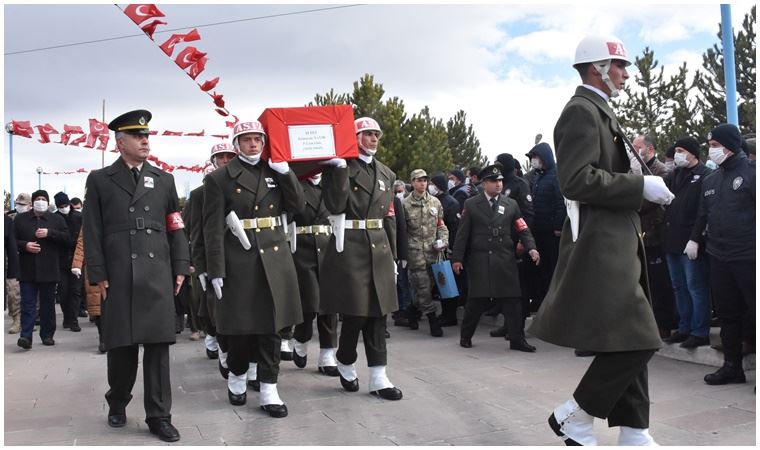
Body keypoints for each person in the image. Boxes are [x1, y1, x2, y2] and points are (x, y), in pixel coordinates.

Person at [529, 35, 674, 446]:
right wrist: (639, 186)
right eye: (620, 67)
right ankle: (574, 413)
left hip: (618, 239)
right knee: (641, 335)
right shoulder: (581, 111)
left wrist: (643, 191)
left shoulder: (600, 110)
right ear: (597, 68)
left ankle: (634, 430)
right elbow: (575, 180)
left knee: (627, 337)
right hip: (601, 244)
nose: (626, 74)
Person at [82, 109, 190, 442]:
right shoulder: (100, 179)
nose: (145, 140)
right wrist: (97, 272)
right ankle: (117, 401)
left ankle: (159, 415)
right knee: (122, 347)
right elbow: (93, 229)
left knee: (158, 347)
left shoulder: (163, 179)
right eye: (137, 136)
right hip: (118, 272)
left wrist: (181, 264)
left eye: (147, 135)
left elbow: (175, 224)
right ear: (120, 141)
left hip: (157, 271)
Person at [203, 120, 304, 417]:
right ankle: (236, 375)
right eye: (246, 140)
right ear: (236, 145)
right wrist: (216, 268)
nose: (253, 145)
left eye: (258, 139)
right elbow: (211, 227)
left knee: (273, 326)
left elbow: (298, 206)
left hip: (274, 256)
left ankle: (270, 388)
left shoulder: (274, 171)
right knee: (241, 328)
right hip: (240, 257)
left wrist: (286, 172)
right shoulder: (219, 179)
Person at [319, 116, 403, 401]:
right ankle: (345, 358)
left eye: (376, 134)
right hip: (350, 244)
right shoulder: (339, 168)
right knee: (355, 311)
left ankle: (379, 376)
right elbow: (335, 204)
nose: (374, 139)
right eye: (367, 134)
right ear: (354, 138)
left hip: (378, 246)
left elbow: (389, 218)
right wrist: (340, 171)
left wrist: (394, 254)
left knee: (379, 313)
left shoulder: (387, 174)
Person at [452, 164, 540, 352]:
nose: (498, 184)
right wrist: (457, 259)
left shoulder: (511, 204)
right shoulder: (471, 204)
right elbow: (462, 235)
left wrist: (531, 248)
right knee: (476, 301)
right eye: (494, 181)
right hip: (481, 260)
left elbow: (522, 228)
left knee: (513, 301)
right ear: (484, 184)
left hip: (504, 259)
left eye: (500, 180)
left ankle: (517, 339)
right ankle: (466, 336)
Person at [695, 124, 755, 385]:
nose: (711, 150)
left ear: (730, 146)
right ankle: (732, 366)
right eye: (710, 145)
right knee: (727, 313)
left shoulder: (752, 174)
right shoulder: (711, 180)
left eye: (715, 145)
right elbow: (703, 215)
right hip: (719, 256)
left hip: (749, 256)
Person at [186, 144, 237, 367]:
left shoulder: (242, 186)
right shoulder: (199, 194)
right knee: (213, 306)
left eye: (230, 156)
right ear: (213, 160)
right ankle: (217, 341)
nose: (226, 160)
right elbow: (196, 232)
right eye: (221, 157)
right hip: (213, 258)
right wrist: (200, 265)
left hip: (241, 258)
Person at [661, 137, 713, 348]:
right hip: (672, 240)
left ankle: (700, 331)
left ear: (692, 153)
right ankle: (684, 328)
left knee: (695, 287)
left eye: (681, 151)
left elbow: (703, 211)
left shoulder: (705, 175)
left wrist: (695, 239)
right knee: (678, 287)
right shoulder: (675, 175)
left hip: (691, 241)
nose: (676, 155)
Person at [288, 172, 340, 375]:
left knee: (329, 304)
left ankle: (327, 353)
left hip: (328, 247)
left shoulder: (333, 184)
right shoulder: (297, 184)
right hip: (303, 248)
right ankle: (301, 338)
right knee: (308, 303)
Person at [633, 134, 677, 338]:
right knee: (644, 283)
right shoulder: (636, 172)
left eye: (638, 146)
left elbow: (646, 202)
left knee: (660, 284)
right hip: (640, 236)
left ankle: (664, 323)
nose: (634, 150)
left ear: (649, 149)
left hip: (655, 234)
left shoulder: (661, 171)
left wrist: (628, 195)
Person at [15, 189, 71, 350]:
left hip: (49, 268)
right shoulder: (20, 219)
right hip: (27, 269)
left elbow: (67, 239)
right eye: (38, 199)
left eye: (43, 199)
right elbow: (11, 241)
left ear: (47, 202)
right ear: (32, 202)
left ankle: (47, 335)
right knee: (28, 304)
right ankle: (26, 336)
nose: (40, 201)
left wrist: (50, 233)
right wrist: (25, 245)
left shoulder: (56, 220)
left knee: (48, 305)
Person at [492, 153, 535, 337]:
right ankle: (507, 323)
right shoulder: (498, 185)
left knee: (519, 287)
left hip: (515, 243)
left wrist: (522, 242)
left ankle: (517, 327)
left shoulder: (520, 184)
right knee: (504, 286)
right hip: (500, 243)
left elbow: (527, 215)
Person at [402, 169, 448, 337]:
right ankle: (432, 321)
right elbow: (402, 231)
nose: (422, 183)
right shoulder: (405, 204)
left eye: (425, 180)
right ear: (412, 182)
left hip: (433, 253)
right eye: (419, 180)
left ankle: (412, 311)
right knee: (423, 287)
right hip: (415, 254)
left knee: (430, 287)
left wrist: (443, 241)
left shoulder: (435, 203)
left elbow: (441, 225)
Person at [524, 143, 565, 313]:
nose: (533, 161)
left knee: (552, 268)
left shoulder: (555, 175)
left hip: (551, 232)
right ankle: (541, 300)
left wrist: (558, 225)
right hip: (538, 230)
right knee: (540, 269)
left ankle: (554, 304)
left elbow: (561, 203)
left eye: (536, 157)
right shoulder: (538, 177)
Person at [428, 172, 462, 327]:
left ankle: (450, 315)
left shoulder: (451, 202)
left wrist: (450, 246)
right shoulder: (434, 201)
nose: (430, 186)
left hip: (446, 248)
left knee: (447, 282)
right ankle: (445, 313)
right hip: (435, 247)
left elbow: (454, 227)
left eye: (432, 183)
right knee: (440, 283)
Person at [71, 226, 105, 353]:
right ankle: (103, 338)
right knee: (97, 305)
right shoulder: (91, 216)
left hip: (118, 264)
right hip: (95, 264)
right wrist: (76, 264)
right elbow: (82, 242)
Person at [54, 191, 83, 332]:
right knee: (64, 291)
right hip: (60, 260)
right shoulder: (54, 218)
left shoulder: (79, 217)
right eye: (61, 206)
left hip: (76, 260)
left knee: (76, 291)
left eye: (65, 205)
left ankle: (74, 319)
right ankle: (67, 317)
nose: (63, 207)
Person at [6, 192, 30, 334]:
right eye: (18, 204)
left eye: (23, 204)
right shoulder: (9, 218)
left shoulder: (33, 218)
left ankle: (29, 319)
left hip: (28, 259)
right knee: (13, 291)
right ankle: (17, 318)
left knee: (29, 293)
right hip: (13, 259)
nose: (20, 207)